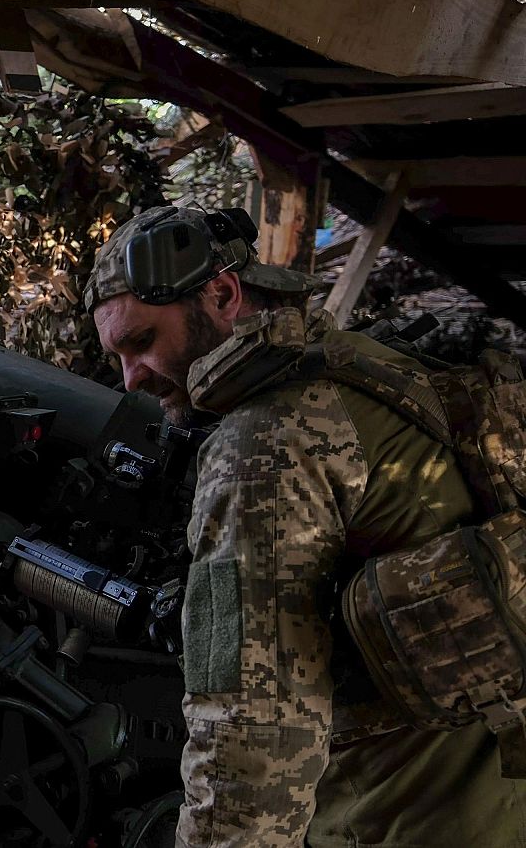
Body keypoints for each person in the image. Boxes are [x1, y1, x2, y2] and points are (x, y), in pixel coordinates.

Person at [84, 206, 526, 847]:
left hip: (397, 818)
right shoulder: (372, 365)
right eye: (116, 357)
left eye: (142, 342)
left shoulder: (264, 442)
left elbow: (249, 725)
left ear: (224, 293)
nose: (133, 378)